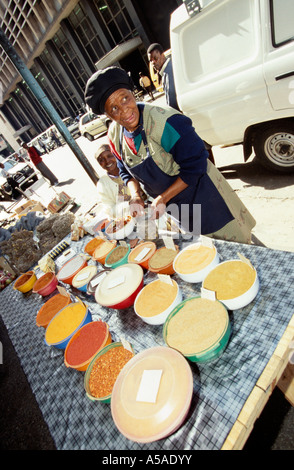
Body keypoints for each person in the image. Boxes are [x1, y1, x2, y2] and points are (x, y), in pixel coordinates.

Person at [84, 66, 256, 244]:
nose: (124, 110)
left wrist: (163, 197)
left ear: (133, 93)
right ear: (107, 115)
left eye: (125, 98)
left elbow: (195, 166)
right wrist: (135, 195)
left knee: (237, 250)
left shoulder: (165, 122)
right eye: (114, 108)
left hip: (206, 198)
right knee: (201, 250)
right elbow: (124, 170)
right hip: (176, 209)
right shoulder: (115, 135)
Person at [95, 143, 132, 218]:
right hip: (126, 218)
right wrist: (129, 205)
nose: (107, 161)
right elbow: (110, 210)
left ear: (116, 154)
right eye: (101, 160)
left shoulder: (130, 167)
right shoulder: (102, 184)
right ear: (99, 164)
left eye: (109, 156)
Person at [147, 43, 180, 112]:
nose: (153, 62)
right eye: (151, 60)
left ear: (162, 55)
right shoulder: (167, 70)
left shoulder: (169, 72)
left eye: (155, 58)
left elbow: (172, 105)